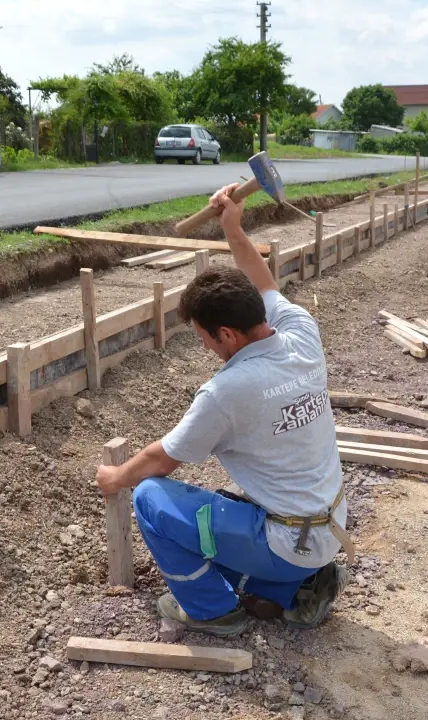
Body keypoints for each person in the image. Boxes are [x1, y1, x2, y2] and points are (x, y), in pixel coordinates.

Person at [95, 183, 351, 637]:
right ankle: (293, 589)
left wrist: (114, 478)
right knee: (228, 509)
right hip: (329, 527)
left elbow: (161, 459)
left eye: (204, 336)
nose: (205, 346)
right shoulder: (300, 334)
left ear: (227, 335)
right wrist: (232, 225)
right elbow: (264, 280)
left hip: (288, 540)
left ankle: (211, 609)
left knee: (150, 497)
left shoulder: (227, 391)